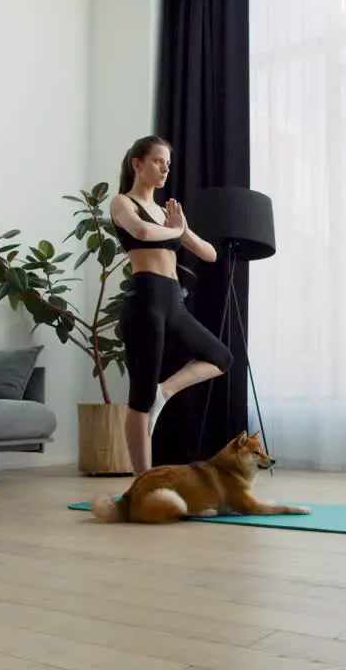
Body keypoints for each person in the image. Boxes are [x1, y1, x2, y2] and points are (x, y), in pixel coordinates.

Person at [110, 135, 233, 475]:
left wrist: (182, 230)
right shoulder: (122, 202)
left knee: (221, 357)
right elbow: (141, 232)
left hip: (173, 304)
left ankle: (165, 391)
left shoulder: (167, 214)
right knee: (139, 396)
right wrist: (175, 231)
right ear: (138, 163)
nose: (165, 169)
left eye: (168, 164)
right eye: (157, 161)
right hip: (145, 301)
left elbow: (209, 254)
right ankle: (141, 481)